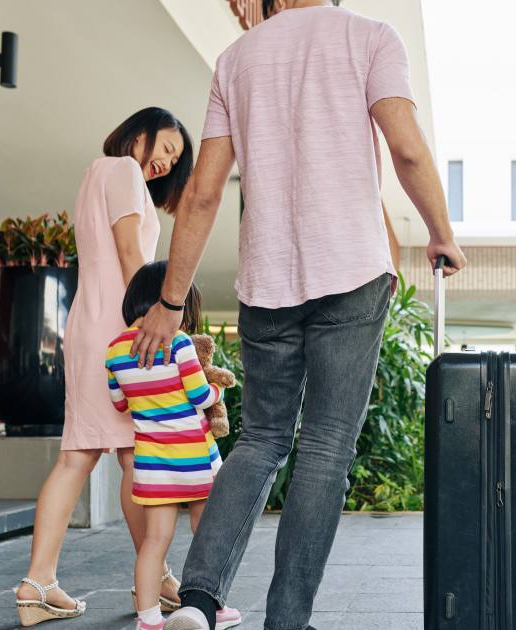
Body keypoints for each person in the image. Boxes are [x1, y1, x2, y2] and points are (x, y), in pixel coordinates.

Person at [132, 2, 467, 629]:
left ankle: (199, 600)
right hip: (350, 274)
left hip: (267, 282)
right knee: (325, 449)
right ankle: (287, 621)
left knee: (259, 441)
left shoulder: (237, 59)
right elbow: (408, 152)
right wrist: (440, 232)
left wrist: (170, 302)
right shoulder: (369, 38)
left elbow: (203, 193)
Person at [15, 108, 193, 627]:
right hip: (124, 327)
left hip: (89, 324)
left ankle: (37, 584)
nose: (165, 162)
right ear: (141, 133)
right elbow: (130, 253)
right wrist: (154, 319)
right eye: (166, 148)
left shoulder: (97, 172)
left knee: (78, 456)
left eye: (175, 160)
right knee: (137, 454)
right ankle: (156, 579)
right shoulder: (124, 171)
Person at [105, 261, 242, 630]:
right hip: (194, 458)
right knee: (206, 535)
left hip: (153, 463)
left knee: (154, 541)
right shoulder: (179, 343)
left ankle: (148, 619)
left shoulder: (114, 351)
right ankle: (211, 605)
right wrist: (219, 389)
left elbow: (120, 403)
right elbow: (199, 395)